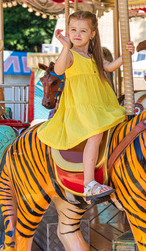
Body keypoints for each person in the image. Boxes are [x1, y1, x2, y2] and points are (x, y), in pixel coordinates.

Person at [37, 11, 134, 203]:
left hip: (99, 101)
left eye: (83, 30)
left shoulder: (91, 55)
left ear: (92, 34)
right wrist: (65, 46)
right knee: (95, 134)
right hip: (81, 104)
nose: (77, 34)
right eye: (73, 30)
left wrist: (126, 55)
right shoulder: (71, 54)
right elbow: (58, 70)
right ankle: (89, 183)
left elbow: (110, 67)